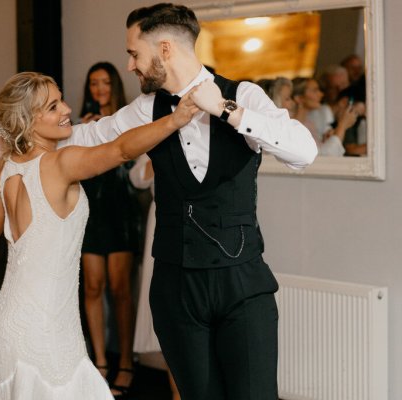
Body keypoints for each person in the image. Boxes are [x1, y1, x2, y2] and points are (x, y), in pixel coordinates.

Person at [63, 3, 318, 399]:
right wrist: (20, 140)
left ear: (164, 49)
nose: (130, 66)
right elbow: (92, 137)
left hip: (242, 285)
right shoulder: (148, 109)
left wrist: (224, 109)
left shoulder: (244, 94)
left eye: (134, 53)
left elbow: (304, 152)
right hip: (176, 287)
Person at [0, 71, 200, 399]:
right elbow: (121, 150)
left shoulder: (6, 168)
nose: (66, 109)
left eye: (61, 99)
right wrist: (174, 121)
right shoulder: (60, 163)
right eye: (53, 107)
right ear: (28, 120)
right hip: (46, 327)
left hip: (10, 320)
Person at [78, 62, 139, 396]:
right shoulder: (80, 125)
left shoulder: (129, 119)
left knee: (120, 290)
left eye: (104, 82)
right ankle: (100, 362)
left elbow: (135, 166)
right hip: (90, 212)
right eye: (93, 83)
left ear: (114, 85)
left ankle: (126, 360)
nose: (99, 89)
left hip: (121, 211)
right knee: (91, 287)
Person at [129, 154, 180, 400]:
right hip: (163, 224)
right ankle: (176, 393)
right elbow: (137, 178)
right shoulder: (156, 131)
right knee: (172, 316)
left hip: (202, 221)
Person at [291, 77, 357, 157]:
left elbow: (319, 151)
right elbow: (324, 157)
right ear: (299, 98)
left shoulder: (309, 123)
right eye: (315, 90)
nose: (321, 94)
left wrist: (325, 140)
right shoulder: (292, 127)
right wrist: (342, 125)